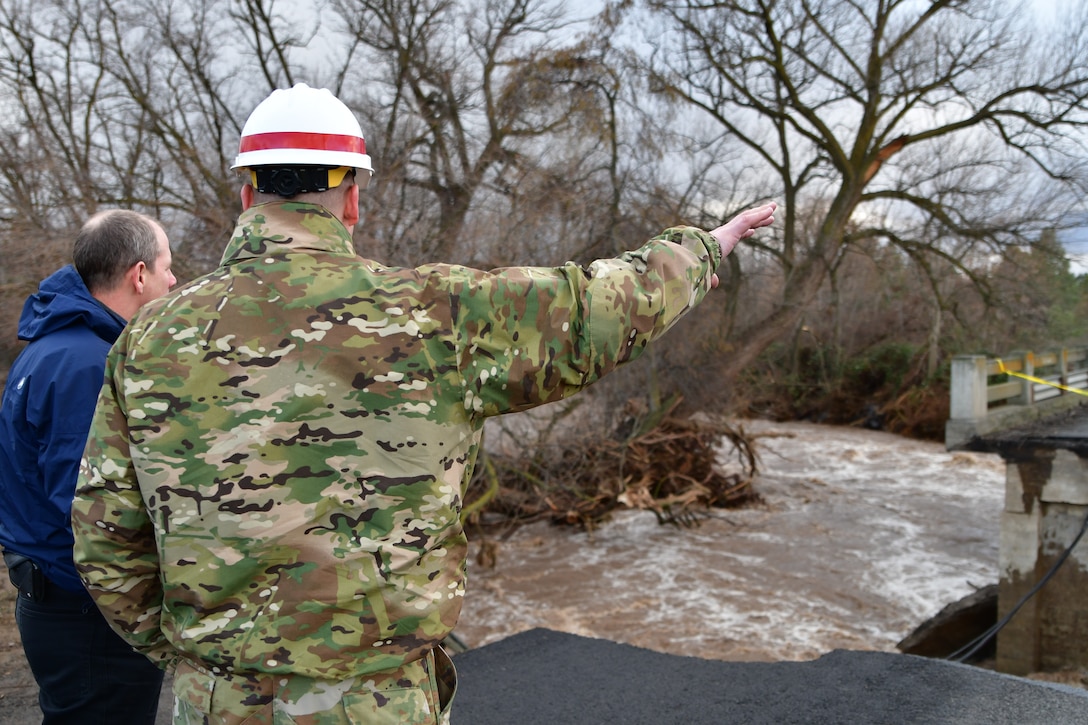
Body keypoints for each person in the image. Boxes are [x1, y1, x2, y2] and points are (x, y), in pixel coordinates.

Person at [71, 83, 776, 725]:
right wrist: (705, 248)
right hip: (383, 703)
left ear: (248, 191)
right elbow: (597, 308)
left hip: (216, 701)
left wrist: (192, 660)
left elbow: (105, 542)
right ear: (352, 196)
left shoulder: (150, 338)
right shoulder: (435, 315)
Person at [0, 209, 175, 723]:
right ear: (138, 275)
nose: (173, 280)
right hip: (90, 609)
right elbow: (88, 508)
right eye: (167, 266)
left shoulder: (55, 347)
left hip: (61, 599)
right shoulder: (86, 364)